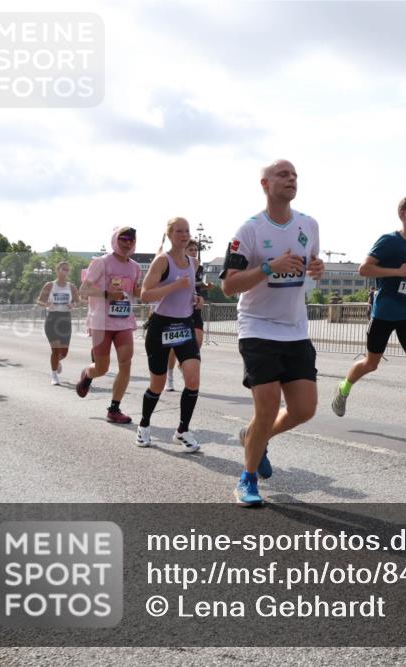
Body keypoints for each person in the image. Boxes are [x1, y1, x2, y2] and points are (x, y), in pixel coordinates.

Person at [220, 159, 325, 505]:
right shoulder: (249, 231)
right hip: (257, 327)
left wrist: (318, 269)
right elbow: (228, 286)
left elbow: (310, 270)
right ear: (265, 184)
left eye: (295, 174)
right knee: (267, 406)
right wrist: (268, 267)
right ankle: (247, 479)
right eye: (283, 174)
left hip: (295, 329)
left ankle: (254, 436)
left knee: (304, 409)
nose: (291, 179)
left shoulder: (309, 224)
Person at [331, 196, 406, 438]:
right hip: (384, 312)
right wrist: (397, 271)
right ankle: (344, 388)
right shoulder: (388, 241)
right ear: (402, 214)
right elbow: (364, 269)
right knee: (371, 364)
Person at [136, 218, 204, 451]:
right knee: (158, 383)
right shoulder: (162, 261)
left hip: (184, 325)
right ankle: (144, 425)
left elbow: (190, 291)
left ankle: (182, 430)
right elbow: (145, 295)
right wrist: (175, 286)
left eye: (187, 230)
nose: (184, 235)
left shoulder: (193, 262)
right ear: (169, 234)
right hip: (161, 326)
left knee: (193, 378)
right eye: (178, 231)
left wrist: (196, 298)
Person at [75, 227, 142, 423]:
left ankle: (114, 409)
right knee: (102, 368)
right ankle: (88, 374)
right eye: (123, 238)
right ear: (115, 240)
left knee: (126, 363)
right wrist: (107, 294)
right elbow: (83, 291)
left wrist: (158, 288)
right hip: (101, 321)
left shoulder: (135, 267)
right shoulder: (101, 263)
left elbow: (136, 291)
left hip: (123, 321)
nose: (128, 242)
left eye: (131, 239)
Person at [166, 238, 208, 391]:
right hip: (178, 309)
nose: (194, 253)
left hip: (194, 307)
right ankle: (169, 377)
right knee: (175, 345)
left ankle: (183, 363)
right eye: (191, 250)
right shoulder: (174, 266)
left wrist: (202, 296)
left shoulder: (199, 267)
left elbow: (198, 287)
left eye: (196, 250)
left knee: (198, 340)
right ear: (183, 250)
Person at [36, 261, 79, 385]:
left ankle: (56, 361)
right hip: (52, 318)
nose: (65, 271)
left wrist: (73, 304)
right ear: (57, 270)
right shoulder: (49, 285)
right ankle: (54, 376)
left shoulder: (71, 287)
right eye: (63, 269)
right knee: (55, 350)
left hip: (65, 319)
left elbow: (77, 301)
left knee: (63, 353)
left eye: (67, 269)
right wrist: (45, 304)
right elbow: (39, 301)